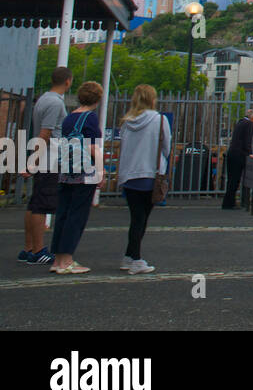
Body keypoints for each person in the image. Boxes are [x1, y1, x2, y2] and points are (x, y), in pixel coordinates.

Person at [49, 81, 105, 275]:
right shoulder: (90, 118)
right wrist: (101, 171)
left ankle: (57, 259)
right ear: (97, 99)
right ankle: (67, 260)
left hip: (66, 171)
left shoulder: (69, 118)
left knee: (63, 214)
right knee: (77, 216)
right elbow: (92, 147)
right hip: (84, 173)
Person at [18, 66, 72, 265]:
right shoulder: (55, 103)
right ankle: (39, 250)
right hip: (49, 159)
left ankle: (28, 248)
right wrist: (34, 161)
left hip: (44, 157)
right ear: (68, 81)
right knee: (42, 204)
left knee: (34, 203)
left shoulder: (42, 99)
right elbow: (46, 133)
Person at [115, 84, 171, 275]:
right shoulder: (160, 120)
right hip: (149, 174)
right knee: (141, 219)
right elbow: (166, 147)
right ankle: (136, 259)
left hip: (129, 175)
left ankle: (129, 256)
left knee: (135, 217)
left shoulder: (126, 122)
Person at [223, 109, 253, 209]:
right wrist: (250, 153)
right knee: (235, 180)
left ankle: (227, 202)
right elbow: (247, 140)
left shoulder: (240, 122)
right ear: (252, 117)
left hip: (232, 152)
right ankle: (229, 204)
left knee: (231, 179)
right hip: (239, 155)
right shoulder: (249, 124)